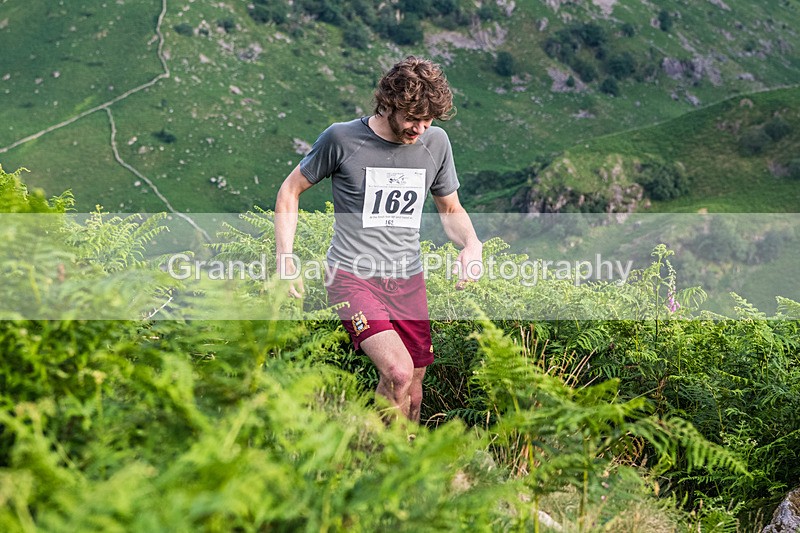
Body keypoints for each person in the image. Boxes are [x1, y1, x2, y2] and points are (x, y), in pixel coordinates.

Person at [274, 56, 482, 422]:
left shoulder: (437, 142)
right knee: (398, 373)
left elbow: (450, 209)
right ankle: (378, 465)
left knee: (414, 393)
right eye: (411, 118)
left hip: (408, 280)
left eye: (427, 120)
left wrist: (472, 244)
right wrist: (285, 258)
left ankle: (393, 466)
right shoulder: (342, 139)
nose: (419, 129)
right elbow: (290, 190)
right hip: (351, 277)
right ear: (388, 104)